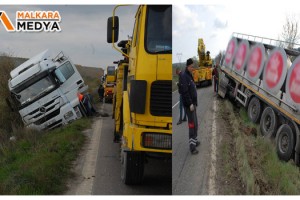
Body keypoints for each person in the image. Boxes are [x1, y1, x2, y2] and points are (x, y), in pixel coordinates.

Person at [181, 58, 200, 155]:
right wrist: (190, 104)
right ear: (187, 66)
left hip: (193, 104)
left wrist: (194, 102)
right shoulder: (184, 76)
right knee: (192, 125)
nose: (193, 68)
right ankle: (192, 148)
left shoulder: (189, 75)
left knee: (196, 124)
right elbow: (185, 92)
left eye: (193, 66)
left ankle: (195, 141)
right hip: (189, 106)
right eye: (191, 66)